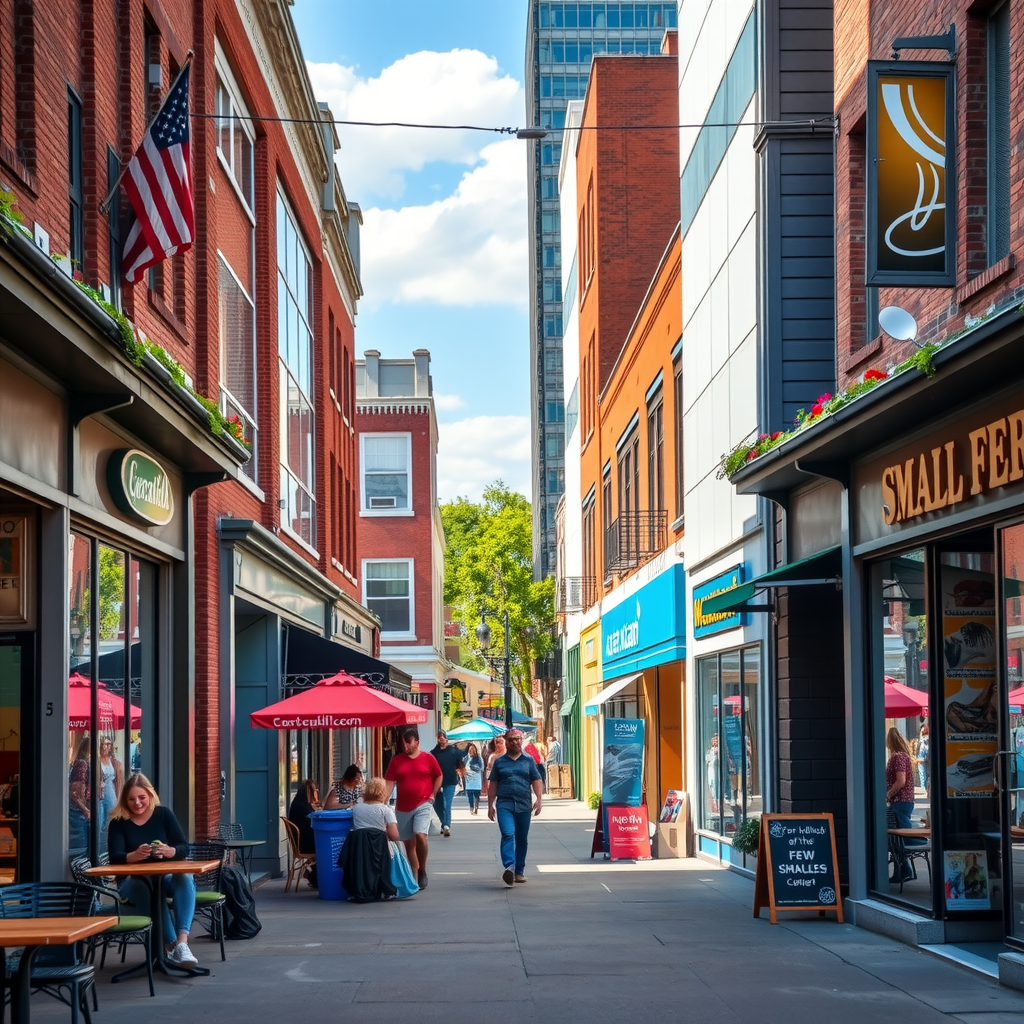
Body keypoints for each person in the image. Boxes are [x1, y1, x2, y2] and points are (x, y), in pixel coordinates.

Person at [107, 772, 199, 966]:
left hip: (163, 879)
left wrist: (170, 851)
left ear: (150, 795)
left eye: (141, 797)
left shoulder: (163, 814)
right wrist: (133, 856)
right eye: (131, 799)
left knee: (185, 877)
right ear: (124, 800)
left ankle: (182, 943)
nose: (137, 803)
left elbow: (183, 847)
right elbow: (114, 857)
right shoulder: (118, 822)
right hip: (132, 884)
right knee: (149, 891)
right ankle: (172, 947)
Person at [385, 726, 442, 889]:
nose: (405, 747)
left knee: (420, 835)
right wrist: (382, 802)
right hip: (403, 807)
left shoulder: (428, 758)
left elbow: (438, 776)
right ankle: (414, 875)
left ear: (417, 742)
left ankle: (422, 869)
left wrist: (433, 793)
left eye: (408, 743)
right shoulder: (396, 761)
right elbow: (389, 783)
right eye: (403, 744)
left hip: (423, 803)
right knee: (408, 844)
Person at [487, 728, 543, 886]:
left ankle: (519, 871)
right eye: (512, 739)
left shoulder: (528, 760)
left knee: (522, 839)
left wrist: (539, 799)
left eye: (518, 739)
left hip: (524, 804)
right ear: (506, 742)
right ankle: (509, 867)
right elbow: (493, 784)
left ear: (522, 740)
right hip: (504, 803)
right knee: (508, 833)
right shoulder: (499, 762)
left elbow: (536, 780)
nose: (516, 742)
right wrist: (490, 805)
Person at [885, 726, 916, 883]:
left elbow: (901, 780)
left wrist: (888, 794)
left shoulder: (898, 758)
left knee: (898, 838)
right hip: (904, 801)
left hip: (900, 801)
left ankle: (904, 871)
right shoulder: (903, 756)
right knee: (896, 839)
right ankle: (902, 870)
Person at [429, 730, 465, 836]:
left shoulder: (453, 751)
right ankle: (443, 823)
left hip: (450, 781)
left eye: (443, 737)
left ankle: (446, 825)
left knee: (447, 803)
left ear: (446, 739)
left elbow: (460, 762)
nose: (441, 739)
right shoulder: (434, 753)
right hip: (436, 782)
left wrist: (460, 771)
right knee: (437, 804)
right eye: (439, 737)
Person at [288, 778, 320, 889]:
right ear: (310, 792)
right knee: (326, 848)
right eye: (315, 790)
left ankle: (314, 875)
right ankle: (315, 877)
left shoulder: (298, 804)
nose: (316, 792)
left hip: (302, 842)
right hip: (305, 844)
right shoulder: (302, 807)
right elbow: (314, 820)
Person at [68, 736, 91, 851]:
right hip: (78, 812)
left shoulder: (79, 762)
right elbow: (74, 791)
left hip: (79, 811)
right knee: (80, 848)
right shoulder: (82, 763)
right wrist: (85, 809)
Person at [98, 738, 124, 833]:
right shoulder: (97, 760)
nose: (108, 746)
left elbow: (118, 780)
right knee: (100, 819)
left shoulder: (113, 761)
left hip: (110, 791)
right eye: (105, 744)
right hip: (100, 792)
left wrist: (118, 796)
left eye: (109, 744)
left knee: (112, 816)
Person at [463, 743, 484, 815]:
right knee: (469, 794)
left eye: (472, 749)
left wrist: (472, 767)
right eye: (470, 749)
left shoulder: (478, 758)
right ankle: (471, 807)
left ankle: (476, 808)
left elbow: (481, 768)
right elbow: (462, 766)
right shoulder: (465, 758)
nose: (471, 751)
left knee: (476, 795)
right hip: (468, 779)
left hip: (476, 779)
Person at [916, 723, 930, 792]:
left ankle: (924, 788)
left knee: (924, 774)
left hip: (924, 758)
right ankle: (924, 788)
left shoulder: (925, 739)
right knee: (923, 774)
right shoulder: (923, 739)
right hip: (923, 758)